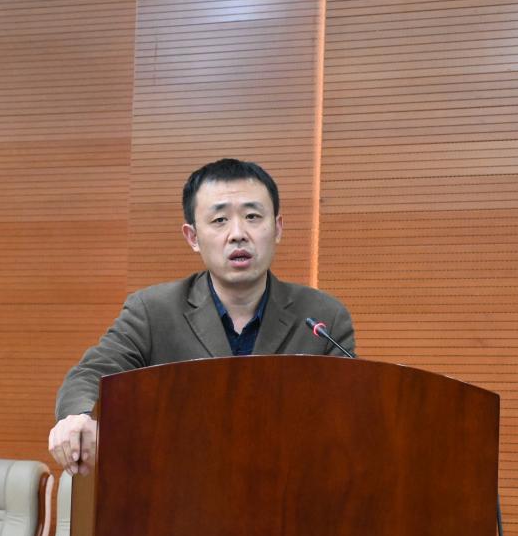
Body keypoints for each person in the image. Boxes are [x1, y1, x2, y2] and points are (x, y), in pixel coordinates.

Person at [48, 158, 356, 473]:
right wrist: (79, 417)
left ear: (277, 228)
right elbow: (89, 375)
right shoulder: (154, 312)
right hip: (180, 491)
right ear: (192, 237)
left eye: (252, 216)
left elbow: (349, 419)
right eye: (220, 220)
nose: (238, 234)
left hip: (291, 489)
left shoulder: (322, 318)